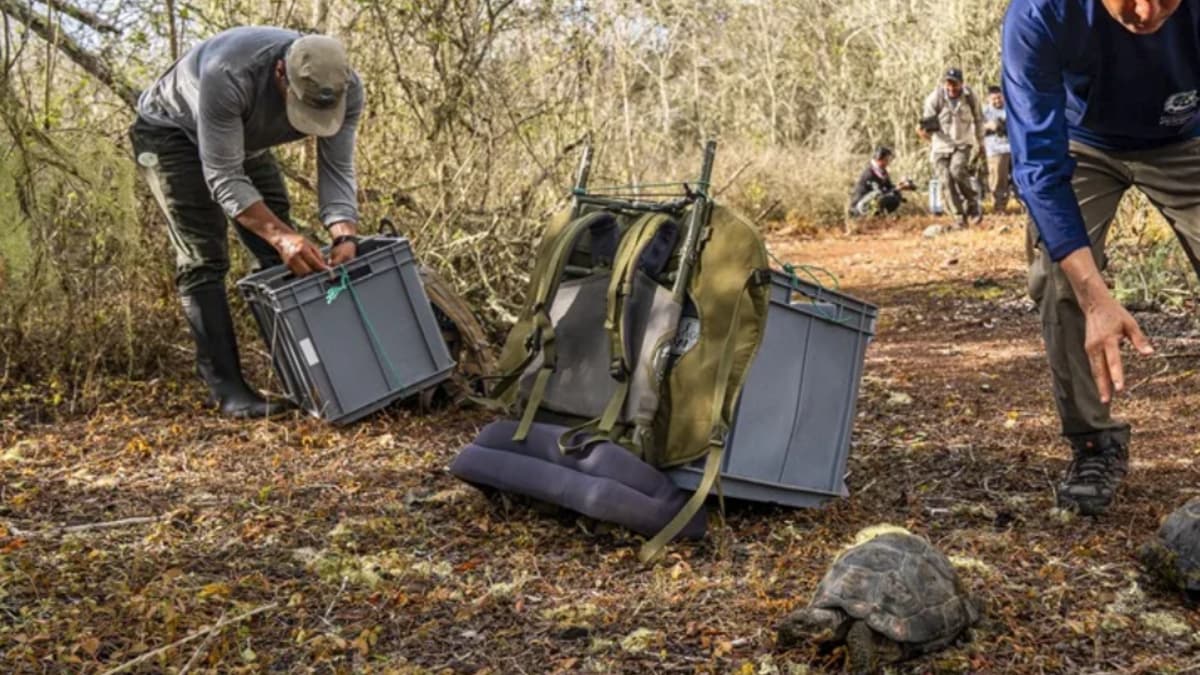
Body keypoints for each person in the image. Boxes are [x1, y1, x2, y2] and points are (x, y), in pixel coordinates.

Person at [1004, 0, 1200, 515]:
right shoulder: (1040, 13)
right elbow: (1038, 164)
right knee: (1060, 277)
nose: (1145, 12)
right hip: (1080, 141)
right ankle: (1094, 441)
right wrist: (1095, 297)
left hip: (1187, 135)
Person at [130, 27, 364, 418]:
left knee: (282, 251)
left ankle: (312, 374)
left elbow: (337, 168)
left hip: (243, 140)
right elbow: (223, 176)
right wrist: (282, 237)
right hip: (171, 132)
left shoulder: (347, 88)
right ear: (280, 74)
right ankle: (228, 391)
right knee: (203, 255)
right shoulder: (229, 74)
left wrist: (344, 234)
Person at [919, 67, 986, 226]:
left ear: (961, 83)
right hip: (941, 145)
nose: (951, 88)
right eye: (948, 84)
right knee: (946, 180)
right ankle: (959, 217)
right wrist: (928, 136)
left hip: (962, 142)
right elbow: (925, 126)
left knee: (957, 170)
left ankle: (973, 202)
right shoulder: (934, 98)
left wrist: (981, 142)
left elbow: (978, 119)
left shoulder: (970, 96)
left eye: (954, 84)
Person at [848, 146, 916, 217]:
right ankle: (867, 216)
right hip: (859, 207)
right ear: (879, 158)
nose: (888, 162)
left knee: (895, 197)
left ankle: (879, 217)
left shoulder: (882, 171)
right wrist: (898, 188)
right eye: (886, 159)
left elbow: (888, 188)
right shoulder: (869, 173)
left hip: (870, 201)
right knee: (881, 196)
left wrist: (901, 185)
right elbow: (880, 193)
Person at [982, 85, 1013, 212]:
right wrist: (989, 126)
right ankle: (999, 207)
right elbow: (975, 127)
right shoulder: (985, 112)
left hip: (1013, 148)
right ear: (988, 99)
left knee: (1019, 177)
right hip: (996, 149)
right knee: (998, 180)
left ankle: (1025, 205)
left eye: (999, 98)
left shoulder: (1011, 109)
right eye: (994, 99)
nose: (997, 101)